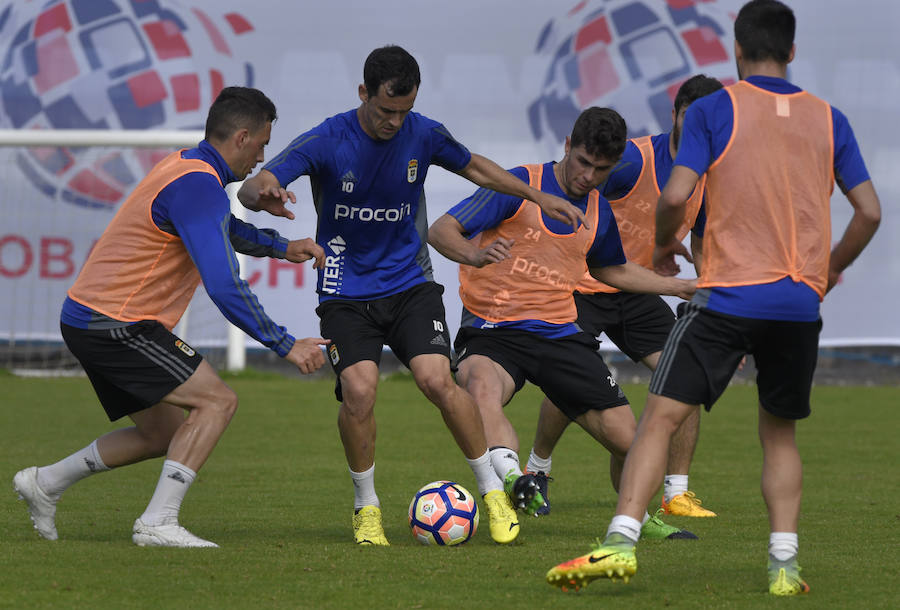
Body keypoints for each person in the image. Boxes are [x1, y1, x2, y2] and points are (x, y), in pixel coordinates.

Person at [546, 0, 880, 596]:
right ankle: (783, 564)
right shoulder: (831, 119)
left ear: (736, 49)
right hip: (798, 304)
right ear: (793, 52)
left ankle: (619, 542)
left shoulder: (713, 108)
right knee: (778, 434)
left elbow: (675, 195)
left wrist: (664, 241)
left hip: (726, 297)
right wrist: (826, 273)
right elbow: (870, 213)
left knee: (659, 417)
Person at [237, 45, 585, 546]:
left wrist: (537, 194)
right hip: (344, 289)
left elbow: (477, 168)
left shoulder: (423, 132)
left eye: (403, 111)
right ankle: (367, 508)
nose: (394, 123)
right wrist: (262, 194)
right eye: (384, 111)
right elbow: (259, 184)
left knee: (437, 380)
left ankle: (491, 494)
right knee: (359, 391)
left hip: (409, 283)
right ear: (363, 93)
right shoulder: (328, 138)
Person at [13, 87, 329, 548]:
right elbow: (224, 286)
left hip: (90, 318)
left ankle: (44, 484)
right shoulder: (198, 184)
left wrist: (283, 246)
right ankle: (158, 522)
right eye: (262, 144)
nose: (262, 157)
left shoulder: (188, 168)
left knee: (162, 433)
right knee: (217, 401)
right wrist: (285, 343)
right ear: (242, 137)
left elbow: (222, 224)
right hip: (115, 324)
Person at [429, 107, 698, 543]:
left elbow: (614, 271)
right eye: (583, 162)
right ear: (567, 146)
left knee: (636, 447)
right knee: (479, 386)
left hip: (559, 334)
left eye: (601, 169)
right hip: (494, 329)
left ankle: (640, 521)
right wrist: (475, 255)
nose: (588, 176)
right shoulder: (518, 184)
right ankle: (516, 483)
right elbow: (442, 230)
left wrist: (680, 287)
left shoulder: (598, 212)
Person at [525, 75, 724, 518]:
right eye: (692, 119)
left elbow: (703, 238)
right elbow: (569, 185)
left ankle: (676, 494)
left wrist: (708, 299)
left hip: (634, 288)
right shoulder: (634, 160)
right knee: (570, 376)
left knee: (687, 373)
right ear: (674, 115)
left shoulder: (708, 174)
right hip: (583, 283)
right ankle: (537, 468)